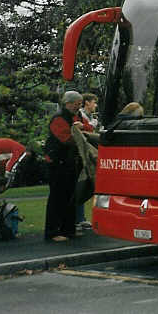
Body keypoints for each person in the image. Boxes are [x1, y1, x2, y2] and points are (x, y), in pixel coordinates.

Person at [44, 91, 91, 242]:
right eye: (77, 103)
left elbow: (89, 128)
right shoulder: (58, 118)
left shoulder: (77, 117)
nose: (79, 106)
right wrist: (79, 130)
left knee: (71, 197)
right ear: (68, 103)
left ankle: (68, 230)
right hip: (58, 163)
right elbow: (67, 139)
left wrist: (81, 127)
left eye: (80, 103)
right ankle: (52, 232)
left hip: (71, 163)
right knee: (57, 198)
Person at [75, 93, 99, 229]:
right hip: (83, 155)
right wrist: (90, 125)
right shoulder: (81, 115)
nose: (95, 105)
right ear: (87, 103)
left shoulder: (89, 117)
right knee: (81, 184)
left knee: (85, 185)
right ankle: (77, 219)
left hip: (88, 154)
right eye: (94, 102)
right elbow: (84, 129)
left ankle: (80, 218)